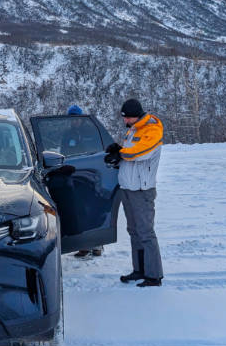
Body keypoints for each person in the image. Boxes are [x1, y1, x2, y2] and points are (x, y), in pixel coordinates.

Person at [106, 98, 164, 287]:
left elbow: (140, 153)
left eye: (127, 118)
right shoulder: (133, 130)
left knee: (145, 232)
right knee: (133, 231)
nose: (125, 122)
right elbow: (128, 154)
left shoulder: (152, 130)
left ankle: (154, 275)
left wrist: (120, 152)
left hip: (142, 190)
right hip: (128, 188)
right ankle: (139, 269)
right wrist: (117, 156)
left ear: (136, 115)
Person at [62, 105, 104, 260]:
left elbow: (99, 150)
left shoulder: (91, 132)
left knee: (93, 208)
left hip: (91, 173)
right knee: (79, 209)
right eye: (71, 118)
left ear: (80, 118)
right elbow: (62, 152)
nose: (74, 121)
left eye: (76, 118)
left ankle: (97, 244)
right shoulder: (67, 134)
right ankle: (83, 246)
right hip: (74, 174)